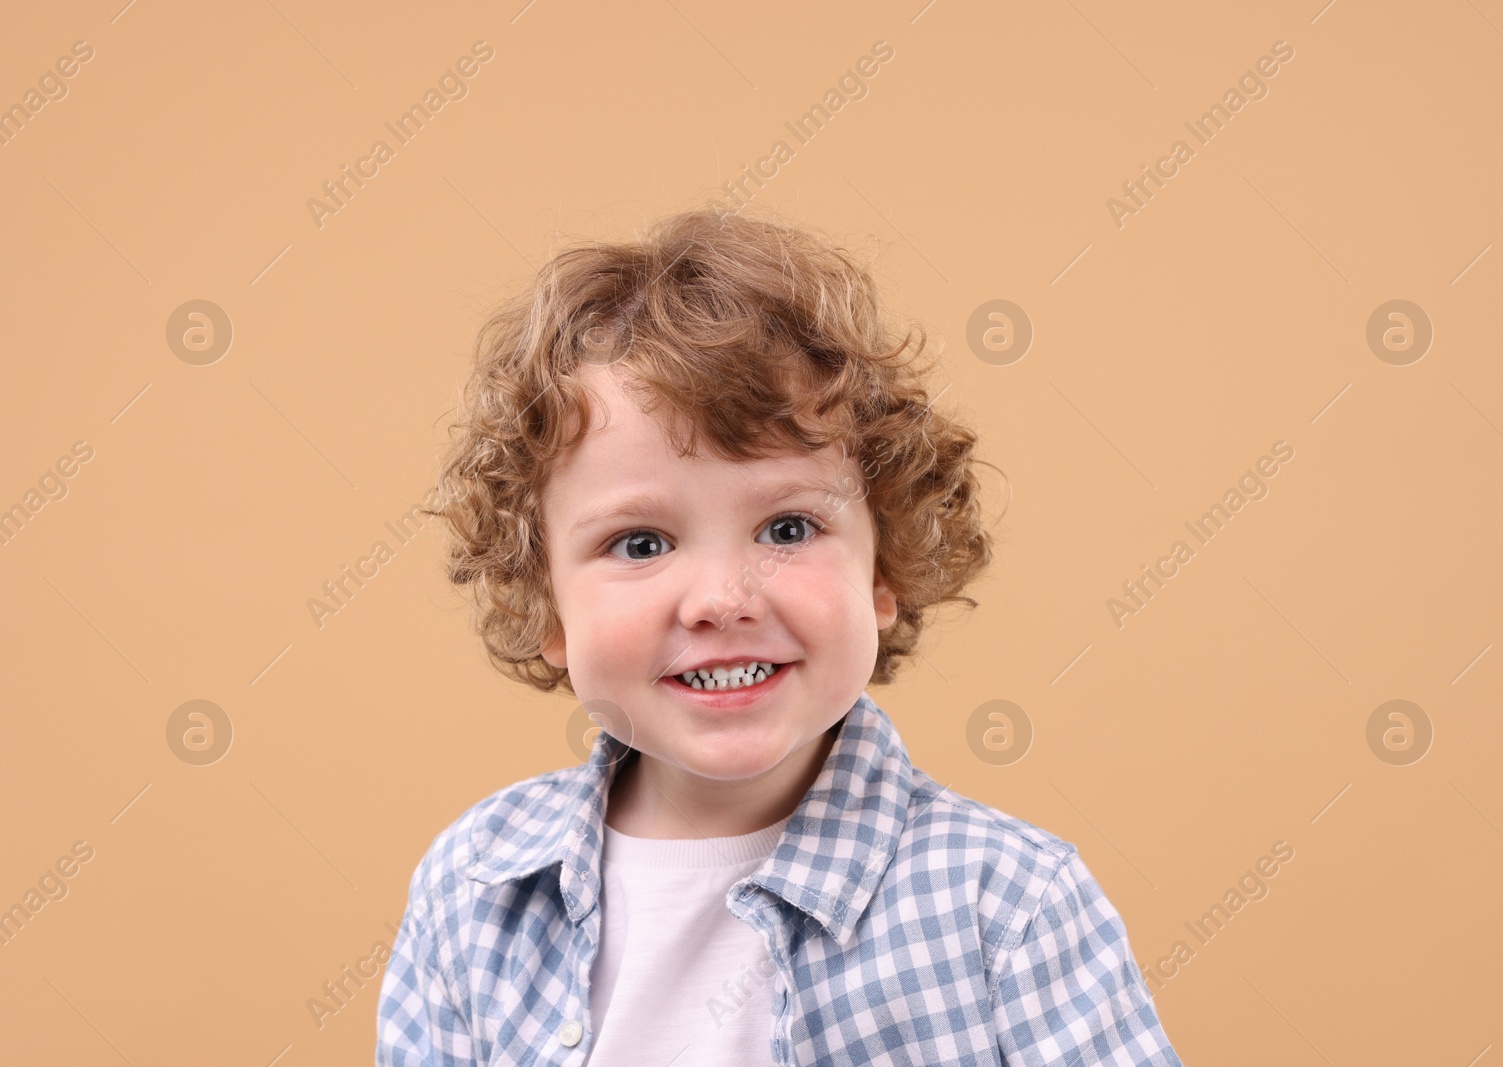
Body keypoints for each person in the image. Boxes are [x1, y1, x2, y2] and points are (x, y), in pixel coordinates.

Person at [375, 205, 1184, 1065]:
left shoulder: (1006, 908)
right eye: (640, 543)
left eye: (788, 529)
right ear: (547, 609)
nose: (723, 600)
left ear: (884, 570)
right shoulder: (477, 887)